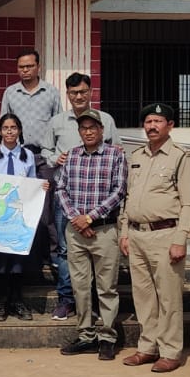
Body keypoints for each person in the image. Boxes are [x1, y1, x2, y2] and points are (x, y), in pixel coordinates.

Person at [118, 102, 190, 374]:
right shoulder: (137, 155)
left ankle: (170, 351)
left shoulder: (181, 157)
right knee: (143, 297)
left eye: (158, 121)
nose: (152, 126)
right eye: (148, 121)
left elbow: (189, 203)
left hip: (165, 235)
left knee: (168, 298)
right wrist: (125, 232)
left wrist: (180, 238)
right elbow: (129, 197)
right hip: (137, 235)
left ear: (170, 125)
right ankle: (147, 347)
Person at [55, 110, 127, 361]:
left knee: (106, 287)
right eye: (83, 128)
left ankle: (107, 337)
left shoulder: (115, 155)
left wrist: (91, 217)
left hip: (104, 230)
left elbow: (119, 191)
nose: (88, 132)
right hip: (76, 231)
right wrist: (77, 218)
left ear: (101, 130)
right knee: (81, 287)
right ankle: (86, 335)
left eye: (92, 127)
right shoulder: (72, 155)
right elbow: (61, 188)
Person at [42, 72, 114, 321]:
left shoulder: (106, 120)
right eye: (74, 93)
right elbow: (45, 150)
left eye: (83, 91)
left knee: (96, 250)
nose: (79, 96)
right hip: (66, 197)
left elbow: (116, 151)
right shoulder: (57, 121)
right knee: (64, 249)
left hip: (97, 199)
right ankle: (67, 299)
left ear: (91, 92)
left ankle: (92, 301)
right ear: (68, 94)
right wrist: (55, 158)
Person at [0, 113, 42, 322]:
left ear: (19, 130)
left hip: (19, 213)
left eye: (13, 127)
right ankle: (0, 302)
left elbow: (32, 183)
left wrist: (41, 187)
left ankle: (17, 300)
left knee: (18, 259)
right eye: (5, 128)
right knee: (0, 258)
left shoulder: (28, 155)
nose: (9, 131)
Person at [0, 49, 60, 175]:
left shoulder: (51, 92)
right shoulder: (10, 93)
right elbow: (2, 124)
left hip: (45, 156)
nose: (25, 70)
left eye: (29, 66)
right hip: (18, 155)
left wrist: (57, 154)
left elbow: (58, 124)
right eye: (21, 67)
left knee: (45, 187)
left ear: (38, 67)